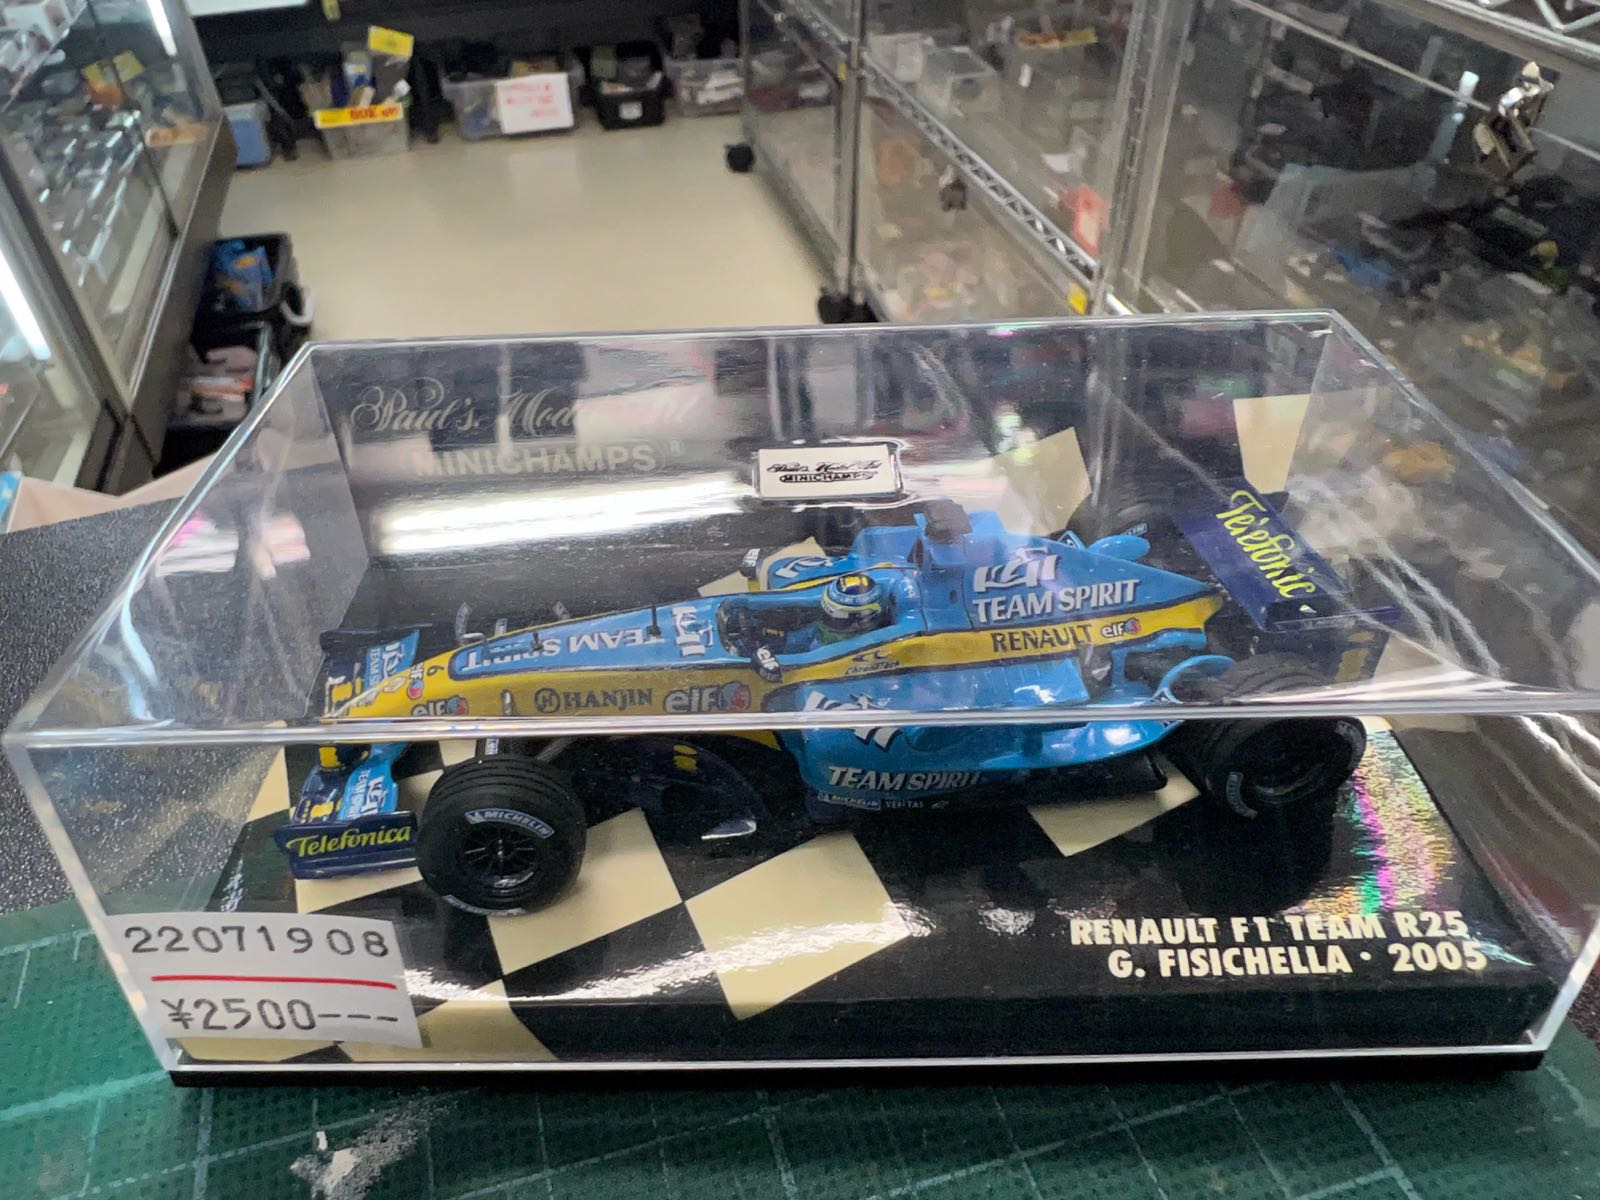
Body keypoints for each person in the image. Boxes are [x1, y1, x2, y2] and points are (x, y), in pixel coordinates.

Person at [813, 573, 889, 645]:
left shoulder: (880, 637)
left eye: (841, 620)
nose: (829, 623)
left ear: (864, 619)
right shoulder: (815, 630)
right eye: (827, 616)